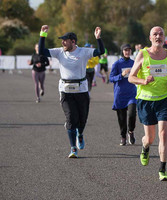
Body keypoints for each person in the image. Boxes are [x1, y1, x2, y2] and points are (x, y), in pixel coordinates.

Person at [38, 25, 105, 158]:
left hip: (81, 90)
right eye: (62, 40)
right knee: (70, 119)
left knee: (82, 119)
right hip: (65, 90)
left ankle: (80, 135)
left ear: (73, 41)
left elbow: (100, 51)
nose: (62, 42)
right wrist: (42, 35)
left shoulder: (83, 52)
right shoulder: (59, 52)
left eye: (65, 40)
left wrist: (98, 38)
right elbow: (41, 51)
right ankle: (73, 148)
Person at [128, 26, 167, 181]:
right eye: (155, 34)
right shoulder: (142, 54)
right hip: (146, 100)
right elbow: (131, 77)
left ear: (164, 38)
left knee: (163, 134)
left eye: (161, 34)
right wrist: (144, 81)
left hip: (165, 99)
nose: (158, 36)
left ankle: (162, 169)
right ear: (150, 38)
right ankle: (145, 147)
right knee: (150, 138)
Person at [110, 44, 137, 146]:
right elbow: (111, 78)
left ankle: (131, 131)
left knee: (132, 114)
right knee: (121, 118)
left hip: (131, 94)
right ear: (122, 51)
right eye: (125, 50)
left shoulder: (134, 63)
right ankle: (123, 136)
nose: (127, 52)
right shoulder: (117, 64)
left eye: (129, 50)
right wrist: (121, 75)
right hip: (120, 95)